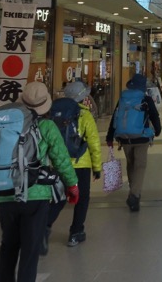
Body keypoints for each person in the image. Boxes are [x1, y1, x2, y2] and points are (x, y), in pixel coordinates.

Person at [0, 82, 79, 282]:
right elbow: (61, 159)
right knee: (30, 250)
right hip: (35, 194)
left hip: (5, 193)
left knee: (8, 246)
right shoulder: (47, 126)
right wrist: (72, 185)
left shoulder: (2, 126)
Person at [44, 81, 102, 252]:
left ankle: (43, 228)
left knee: (59, 197)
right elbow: (93, 142)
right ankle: (76, 232)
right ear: (82, 97)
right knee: (82, 198)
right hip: (80, 163)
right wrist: (97, 167)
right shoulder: (84, 114)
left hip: (59, 163)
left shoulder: (52, 113)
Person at [106, 73, 162, 212]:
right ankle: (134, 195)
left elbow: (115, 117)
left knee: (131, 164)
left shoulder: (123, 98)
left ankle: (134, 192)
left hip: (125, 138)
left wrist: (109, 136)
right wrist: (158, 130)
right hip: (141, 137)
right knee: (140, 165)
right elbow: (154, 115)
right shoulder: (145, 99)